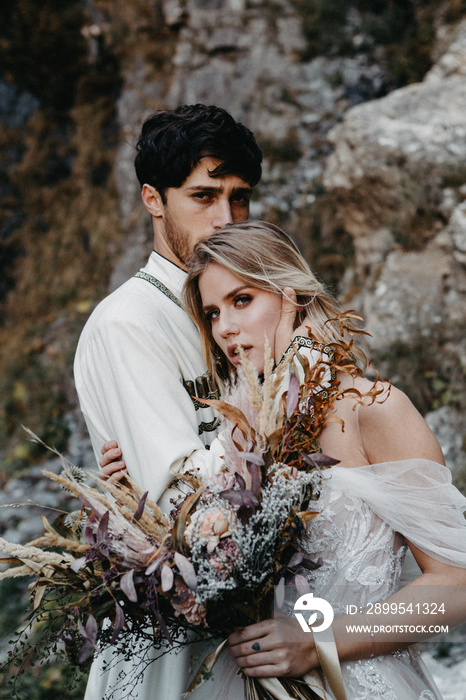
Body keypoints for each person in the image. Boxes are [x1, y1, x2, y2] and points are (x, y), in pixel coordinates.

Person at [104, 221, 466, 699]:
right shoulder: (237, 433)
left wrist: (321, 643)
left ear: (291, 295)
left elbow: (457, 583)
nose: (225, 329)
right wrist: (140, 504)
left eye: (241, 300)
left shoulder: (372, 409)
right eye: (212, 313)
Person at [73, 104, 263, 699]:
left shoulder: (249, 305)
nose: (226, 219)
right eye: (203, 197)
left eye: (239, 198)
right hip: (178, 648)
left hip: (264, 623)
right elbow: (181, 501)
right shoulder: (129, 324)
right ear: (154, 199)